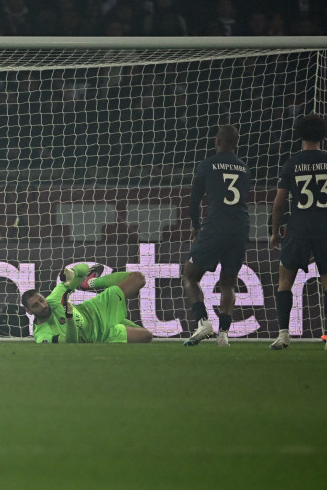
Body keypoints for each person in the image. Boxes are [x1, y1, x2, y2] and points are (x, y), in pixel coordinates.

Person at [269, 114, 327, 350]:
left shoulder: (292, 163)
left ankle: (284, 334)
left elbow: (279, 201)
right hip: (325, 227)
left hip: (298, 227)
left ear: (299, 135)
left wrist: (275, 231)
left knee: (285, 280)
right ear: (324, 136)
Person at [183, 125, 250, 347]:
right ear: (236, 144)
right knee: (228, 282)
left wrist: (195, 225)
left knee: (190, 275)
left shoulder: (206, 165)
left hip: (215, 225)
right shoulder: (243, 168)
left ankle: (202, 322)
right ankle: (223, 335)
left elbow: (194, 201)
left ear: (216, 141)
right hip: (240, 227)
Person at [21, 263, 153, 344]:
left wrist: (72, 273)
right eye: (35, 305)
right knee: (147, 336)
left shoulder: (54, 300)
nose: (43, 305)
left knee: (138, 278)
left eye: (41, 300)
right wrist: (69, 317)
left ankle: (90, 283)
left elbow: (83, 269)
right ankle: (116, 322)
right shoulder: (42, 335)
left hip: (96, 309)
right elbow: (70, 342)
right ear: (29, 311)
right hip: (101, 335)